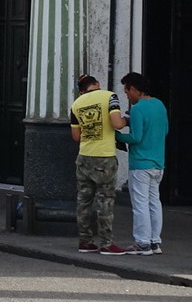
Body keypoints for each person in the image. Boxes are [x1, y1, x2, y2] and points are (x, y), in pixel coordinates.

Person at [71, 73, 128, 255]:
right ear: (97, 83)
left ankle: (85, 241)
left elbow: (76, 136)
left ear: (81, 90)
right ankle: (106, 243)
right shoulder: (109, 96)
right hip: (104, 157)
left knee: (84, 201)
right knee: (106, 200)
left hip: (84, 157)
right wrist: (127, 120)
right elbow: (117, 123)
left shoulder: (76, 104)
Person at [115, 71, 169, 255]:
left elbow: (135, 137)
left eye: (127, 91)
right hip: (158, 163)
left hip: (140, 164)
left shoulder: (137, 109)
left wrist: (116, 135)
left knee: (140, 204)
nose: (127, 95)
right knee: (155, 202)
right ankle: (155, 241)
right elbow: (165, 130)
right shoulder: (160, 105)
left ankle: (142, 242)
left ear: (135, 89)